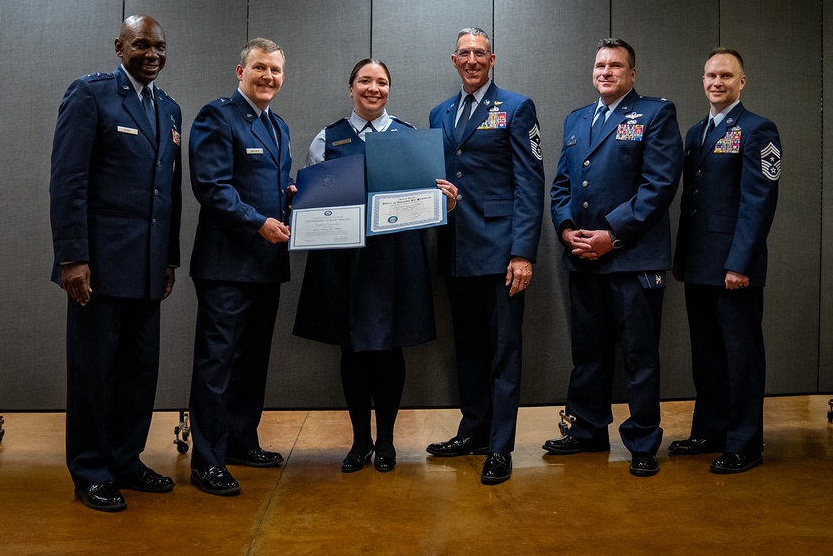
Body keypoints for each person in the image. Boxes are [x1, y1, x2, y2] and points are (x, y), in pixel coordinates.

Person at [292, 59, 459, 474]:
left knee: (389, 348)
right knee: (353, 349)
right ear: (351, 88)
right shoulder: (326, 139)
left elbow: (428, 200)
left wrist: (447, 202)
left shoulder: (410, 137)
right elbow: (310, 201)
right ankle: (360, 441)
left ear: (389, 89)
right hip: (344, 263)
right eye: (365, 81)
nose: (373, 88)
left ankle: (385, 441)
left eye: (381, 82)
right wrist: (299, 202)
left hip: (396, 261)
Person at [50, 14, 182, 512]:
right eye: (141, 45)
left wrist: (168, 259)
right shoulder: (91, 95)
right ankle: (90, 470)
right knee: (93, 372)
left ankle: (126, 460)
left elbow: (167, 193)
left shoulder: (169, 109)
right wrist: (72, 257)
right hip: (98, 269)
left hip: (148, 268)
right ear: (119, 46)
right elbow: (68, 181)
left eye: (160, 46)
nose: (152, 54)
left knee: (138, 372)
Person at [544, 38, 682, 477]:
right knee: (588, 353)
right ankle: (586, 430)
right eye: (600, 65)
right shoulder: (576, 119)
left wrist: (612, 235)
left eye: (616, 66)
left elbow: (658, 186)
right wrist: (567, 231)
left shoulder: (655, 114)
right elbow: (562, 185)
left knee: (639, 357)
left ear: (632, 74)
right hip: (583, 257)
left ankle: (642, 441)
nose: (605, 72)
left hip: (632, 258)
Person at [425, 28, 545, 485]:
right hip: (457, 250)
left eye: (480, 53)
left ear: (491, 59)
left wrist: (522, 253)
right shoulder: (439, 112)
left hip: (500, 253)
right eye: (464, 54)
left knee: (503, 352)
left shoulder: (516, 107)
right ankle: (472, 431)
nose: (472, 60)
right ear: (453, 60)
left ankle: (499, 446)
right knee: (469, 351)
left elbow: (530, 183)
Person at [186, 38, 295, 496]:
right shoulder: (217, 116)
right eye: (260, 68)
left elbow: (270, 183)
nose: (268, 76)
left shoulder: (279, 127)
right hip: (227, 266)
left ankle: (240, 442)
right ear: (240, 71)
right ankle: (207, 461)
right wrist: (259, 223)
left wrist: (293, 197)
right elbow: (211, 187)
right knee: (217, 365)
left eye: (275, 70)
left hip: (266, 265)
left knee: (251, 363)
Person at [670, 48, 781, 474]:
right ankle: (710, 431)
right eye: (710, 76)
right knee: (708, 356)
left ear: (742, 81)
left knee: (742, 358)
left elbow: (758, 202)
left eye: (726, 76)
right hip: (699, 264)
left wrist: (741, 263)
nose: (716, 82)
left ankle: (745, 443)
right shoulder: (697, 132)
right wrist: (682, 258)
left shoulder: (758, 129)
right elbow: (691, 205)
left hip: (734, 268)